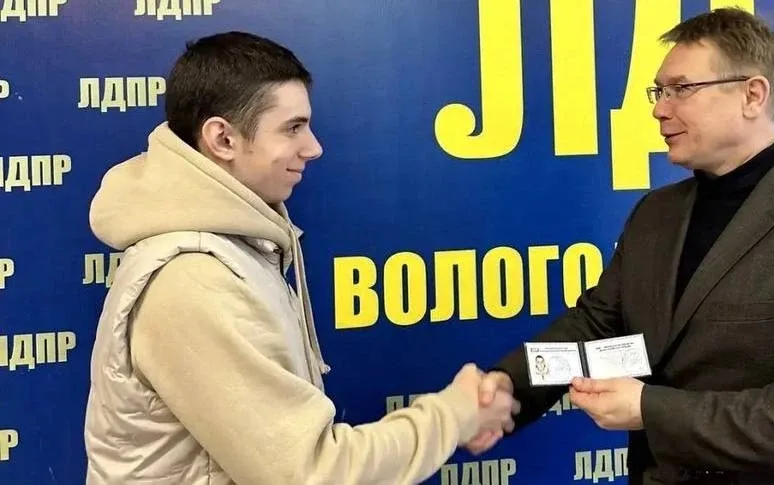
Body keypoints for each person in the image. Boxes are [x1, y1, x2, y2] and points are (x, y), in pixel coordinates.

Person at [468, 8, 774, 485]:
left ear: (752, 95)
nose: (659, 109)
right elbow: (595, 328)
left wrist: (650, 409)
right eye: (659, 91)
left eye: (681, 89)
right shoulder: (655, 214)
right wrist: (505, 388)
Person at [83, 31, 517, 485]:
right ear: (223, 139)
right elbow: (310, 473)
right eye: (292, 128)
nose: (313, 147)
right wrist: (454, 415)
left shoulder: (231, 251)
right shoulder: (193, 279)